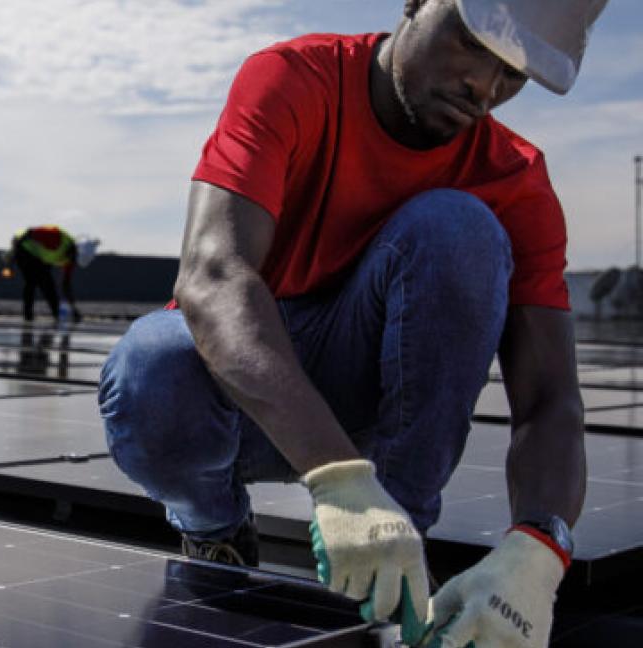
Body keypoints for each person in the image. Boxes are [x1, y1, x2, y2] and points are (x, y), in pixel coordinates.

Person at [99, 1, 605, 646]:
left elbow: (551, 399)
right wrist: (340, 480)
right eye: (472, 44)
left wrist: (538, 551)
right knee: (151, 364)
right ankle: (215, 530)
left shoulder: (513, 178)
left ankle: (394, 539)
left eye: (515, 74)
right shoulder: (296, 79)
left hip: (370, 403)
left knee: (461, 228)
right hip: (239, 399)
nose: (484, 88)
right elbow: (214, 277)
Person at [1, 225, 99, 322]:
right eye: (73, 256)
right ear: (74, 249)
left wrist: (73, 308)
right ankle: (28, 316)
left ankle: (57, 315)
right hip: (23, 247)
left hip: (40, 257)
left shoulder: (70, 259)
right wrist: (12, 255)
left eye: (74, 260)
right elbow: (29, 232)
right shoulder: (56, 236)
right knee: (31, 281)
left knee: (49, 286)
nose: (71, 260)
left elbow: (66, 284)